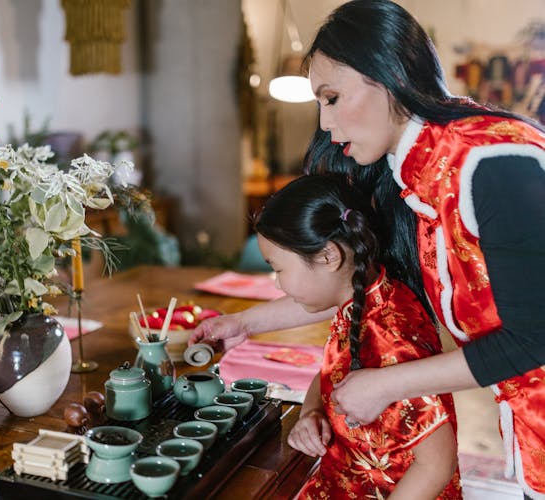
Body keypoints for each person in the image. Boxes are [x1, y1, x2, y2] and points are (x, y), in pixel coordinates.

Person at [190, 1, 545, 497]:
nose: (327, 124)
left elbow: (533, 340)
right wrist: (243, 324)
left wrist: (387, 384)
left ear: (387, 74)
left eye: (332, 97)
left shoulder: (495, 162)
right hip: (525, 422)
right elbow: (345, 282)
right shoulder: (408, 175)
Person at [256, 174, 461, 499]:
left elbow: (437, 464)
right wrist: (311, 412)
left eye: (279, 269)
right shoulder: (365, 295)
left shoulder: (386, 337)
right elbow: (330, 373)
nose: (277, 284)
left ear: (328, 257)